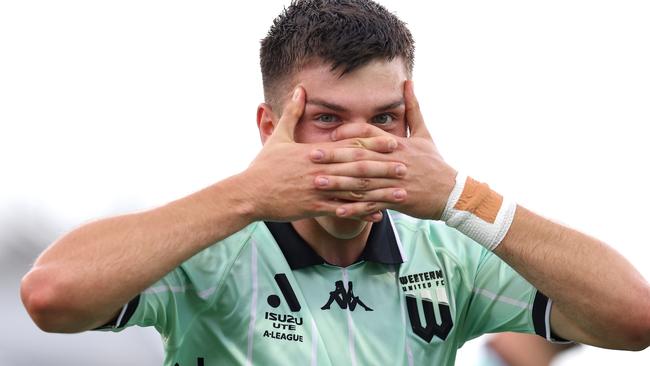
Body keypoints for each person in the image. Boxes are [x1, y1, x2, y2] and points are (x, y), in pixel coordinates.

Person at [20, 0, 650, 365]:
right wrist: (247, 195)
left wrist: (462, 196)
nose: (360, 145)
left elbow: (634, 318)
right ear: (272, 128)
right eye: (326, 119)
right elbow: (50, 297)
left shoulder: (449, 251)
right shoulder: (209, 246)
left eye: (385, 118)